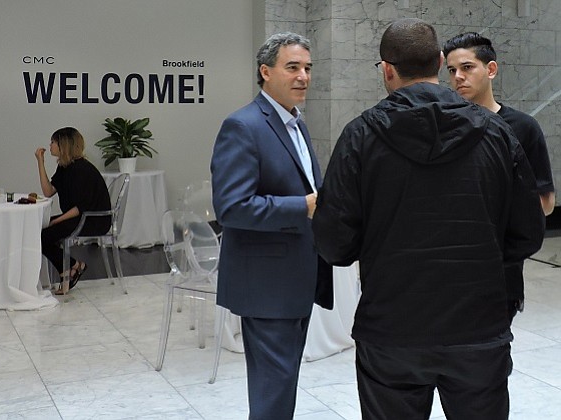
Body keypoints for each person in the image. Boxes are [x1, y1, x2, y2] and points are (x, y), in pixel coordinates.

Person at [312, 18, 545, 420]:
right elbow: (527, 234)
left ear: (386, 69)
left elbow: (335, 244)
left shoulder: (360, 137)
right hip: (477, 328)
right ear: (439, 62)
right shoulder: (496, 132)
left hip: (391, 330)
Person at [210, 32, 333, 419]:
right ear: (265, 71)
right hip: (266, 286)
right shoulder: (243, 126)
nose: (304, 77)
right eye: (292, 67)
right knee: (273, 394)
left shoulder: (295, 123)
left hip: (296, 277)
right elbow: (232, 208)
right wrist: (304, 206)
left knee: (281, 388)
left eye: (308, 68)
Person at [443, 32, 556, 322]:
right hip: (446, 271)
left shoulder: (523, 128)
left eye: (467, 67)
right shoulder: (442, 126)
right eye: (452, 70)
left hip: (500, 272)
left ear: (490, 69)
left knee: (491, 358)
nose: (458, 77)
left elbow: (545, 203)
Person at [35, 127, 111, 295]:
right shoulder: (65, 167)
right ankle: (73, 267)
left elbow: (80, 207)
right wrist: (40, 161)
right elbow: (48, 191)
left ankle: (70, 268)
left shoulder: (80, 170)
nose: (50, 145)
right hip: (80, 216)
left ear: (63, 145)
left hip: (93, 220)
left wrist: (58, 220)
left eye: (53, 142)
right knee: (39, 233)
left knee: (42, 236)